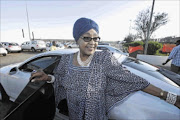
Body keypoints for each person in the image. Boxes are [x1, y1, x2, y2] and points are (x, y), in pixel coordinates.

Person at [30, 17, 180, 119]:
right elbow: (62, 80)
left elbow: (135, 81)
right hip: (73, 115)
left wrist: (170, 96)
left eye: (96, 38)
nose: (93, 42)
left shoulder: (104, 59)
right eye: (87, 37)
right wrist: (48, 77)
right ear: (77, 39)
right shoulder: (66, 60)